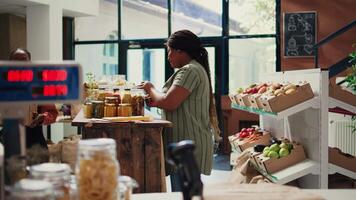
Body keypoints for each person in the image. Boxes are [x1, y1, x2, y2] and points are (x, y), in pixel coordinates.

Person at [138, 30, 221, 191]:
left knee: (183, 193)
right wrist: (156, 100)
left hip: (187, 144)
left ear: (180, 51)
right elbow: (174, 101)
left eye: (170, 51)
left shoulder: (189, 70)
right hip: (187, 142)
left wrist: (150, 87)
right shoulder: (193, 69)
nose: (168, 56)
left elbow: (170, 102)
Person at [9, 48, 58, 150]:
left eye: (23, 60)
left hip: (34, 139)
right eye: (16, 60)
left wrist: (43, 118)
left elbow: (52, 112)